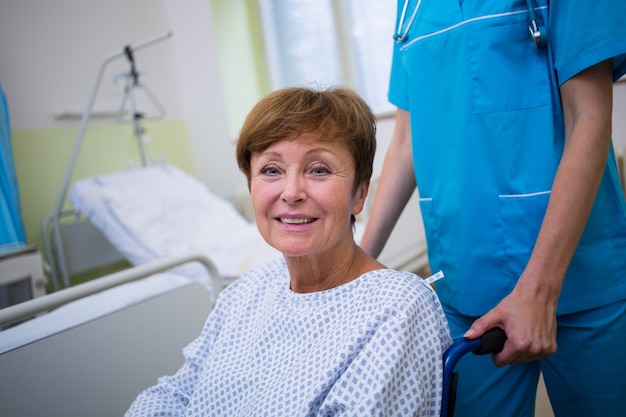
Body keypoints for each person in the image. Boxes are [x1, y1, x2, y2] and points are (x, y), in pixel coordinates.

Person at [360, 1, 626, 416]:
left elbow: (588, 117)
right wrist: (356, 265)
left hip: (580, 278)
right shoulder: (410, 7)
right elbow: (407, 142)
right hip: (467, 283)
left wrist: (538, 292)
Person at [124, 86, 452, 417]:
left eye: (319, 169)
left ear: (359, 194)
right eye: (271, 170)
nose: (291, 192)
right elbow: (178, 393)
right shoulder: (245, 292)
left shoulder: (396, 310)